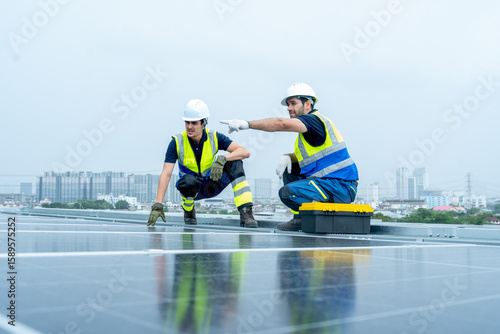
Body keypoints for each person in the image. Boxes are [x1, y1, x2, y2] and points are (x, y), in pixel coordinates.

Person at [220, 83, 358, 231]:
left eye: (293, 103)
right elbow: (309, 157)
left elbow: (281, 124)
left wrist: (247, 124)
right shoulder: (309, 130)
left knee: (287, 193)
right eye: (288, 104)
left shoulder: (313, 121)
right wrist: (288, 157)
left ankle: (320, 215)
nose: (289, 108)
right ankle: (300, 219)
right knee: (290, 169)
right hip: (329, 184)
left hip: (341, 187)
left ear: (308, 104)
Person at [147, 99, 258, 228]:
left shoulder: (214, 137)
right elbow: (166, 174)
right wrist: (158, 203)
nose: (189, 127)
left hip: (213, 183)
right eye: (187, 122)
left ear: (204, 123)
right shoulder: (177, 142)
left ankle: (246, 213)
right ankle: (189, 212)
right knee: (187, 181)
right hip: (192, 189)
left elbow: (244, 152)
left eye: (194, 123)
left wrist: (223, 158)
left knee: (236, 163)